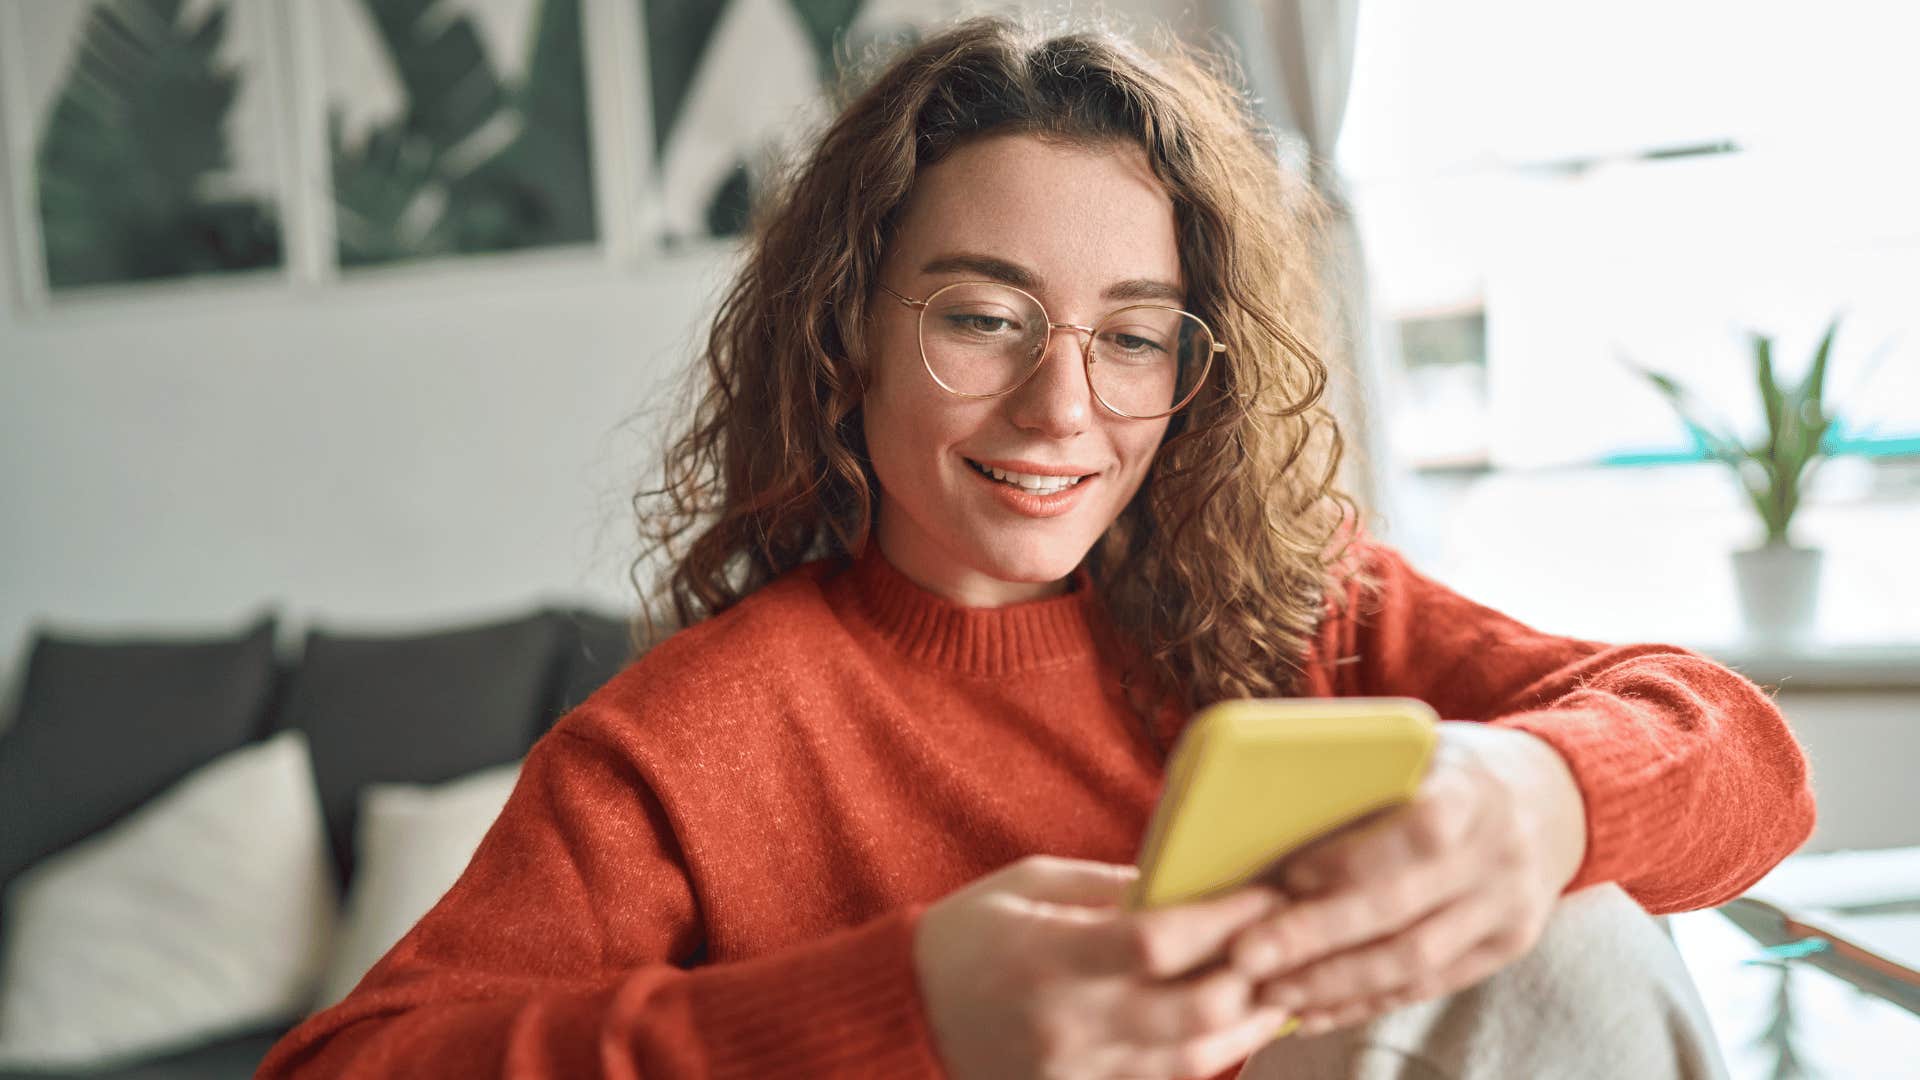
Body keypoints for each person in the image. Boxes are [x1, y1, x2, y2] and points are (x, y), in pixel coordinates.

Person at [258, 13, 1815, 1080]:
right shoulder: (684, 751)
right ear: (847, 329)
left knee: (1586, 926)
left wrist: (1538, 799)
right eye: (985, 319)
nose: (1064, 406)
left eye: (1134, 338)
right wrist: (908, 1008)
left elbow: (1745, 760)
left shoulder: (1301, 607)